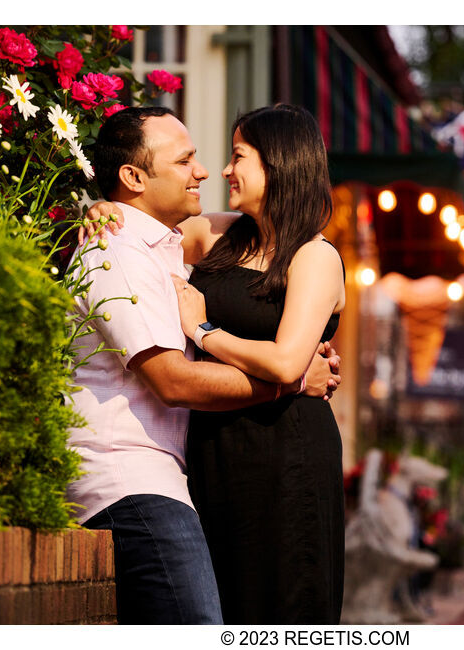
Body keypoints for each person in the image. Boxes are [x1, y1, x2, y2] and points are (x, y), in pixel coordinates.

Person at [67, 105, 339, 624]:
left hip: (282, 455)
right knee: (227, 609)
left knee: (279, 609)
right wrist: (98, 207)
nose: (219, 170)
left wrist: (205, 332)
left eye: (238, 156)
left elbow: (286, 362)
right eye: (192, 159)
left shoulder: (313, 255)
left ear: (279, 165)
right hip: (209, 457)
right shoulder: (215, 236)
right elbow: (135, 228)